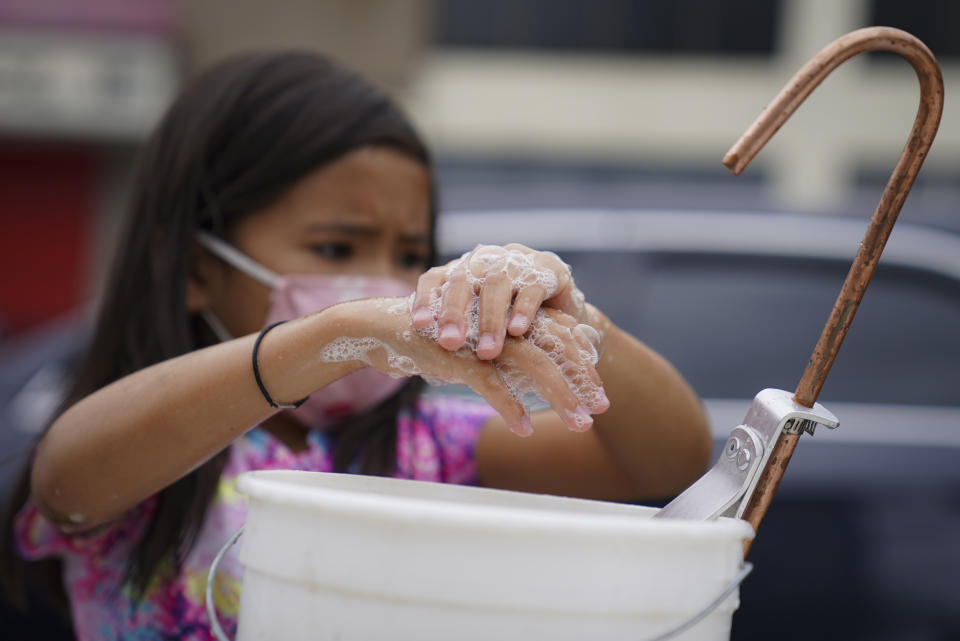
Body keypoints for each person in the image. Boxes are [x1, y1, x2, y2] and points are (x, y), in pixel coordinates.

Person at [0, 50, 711, 640]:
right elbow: (66, 480)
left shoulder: (425, 444)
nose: (382, 281)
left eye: (409, 253)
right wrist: (338, 334)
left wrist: (580, 321)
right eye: (337, 245)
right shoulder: (152, 445)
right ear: (193, 271)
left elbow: (667, 459)